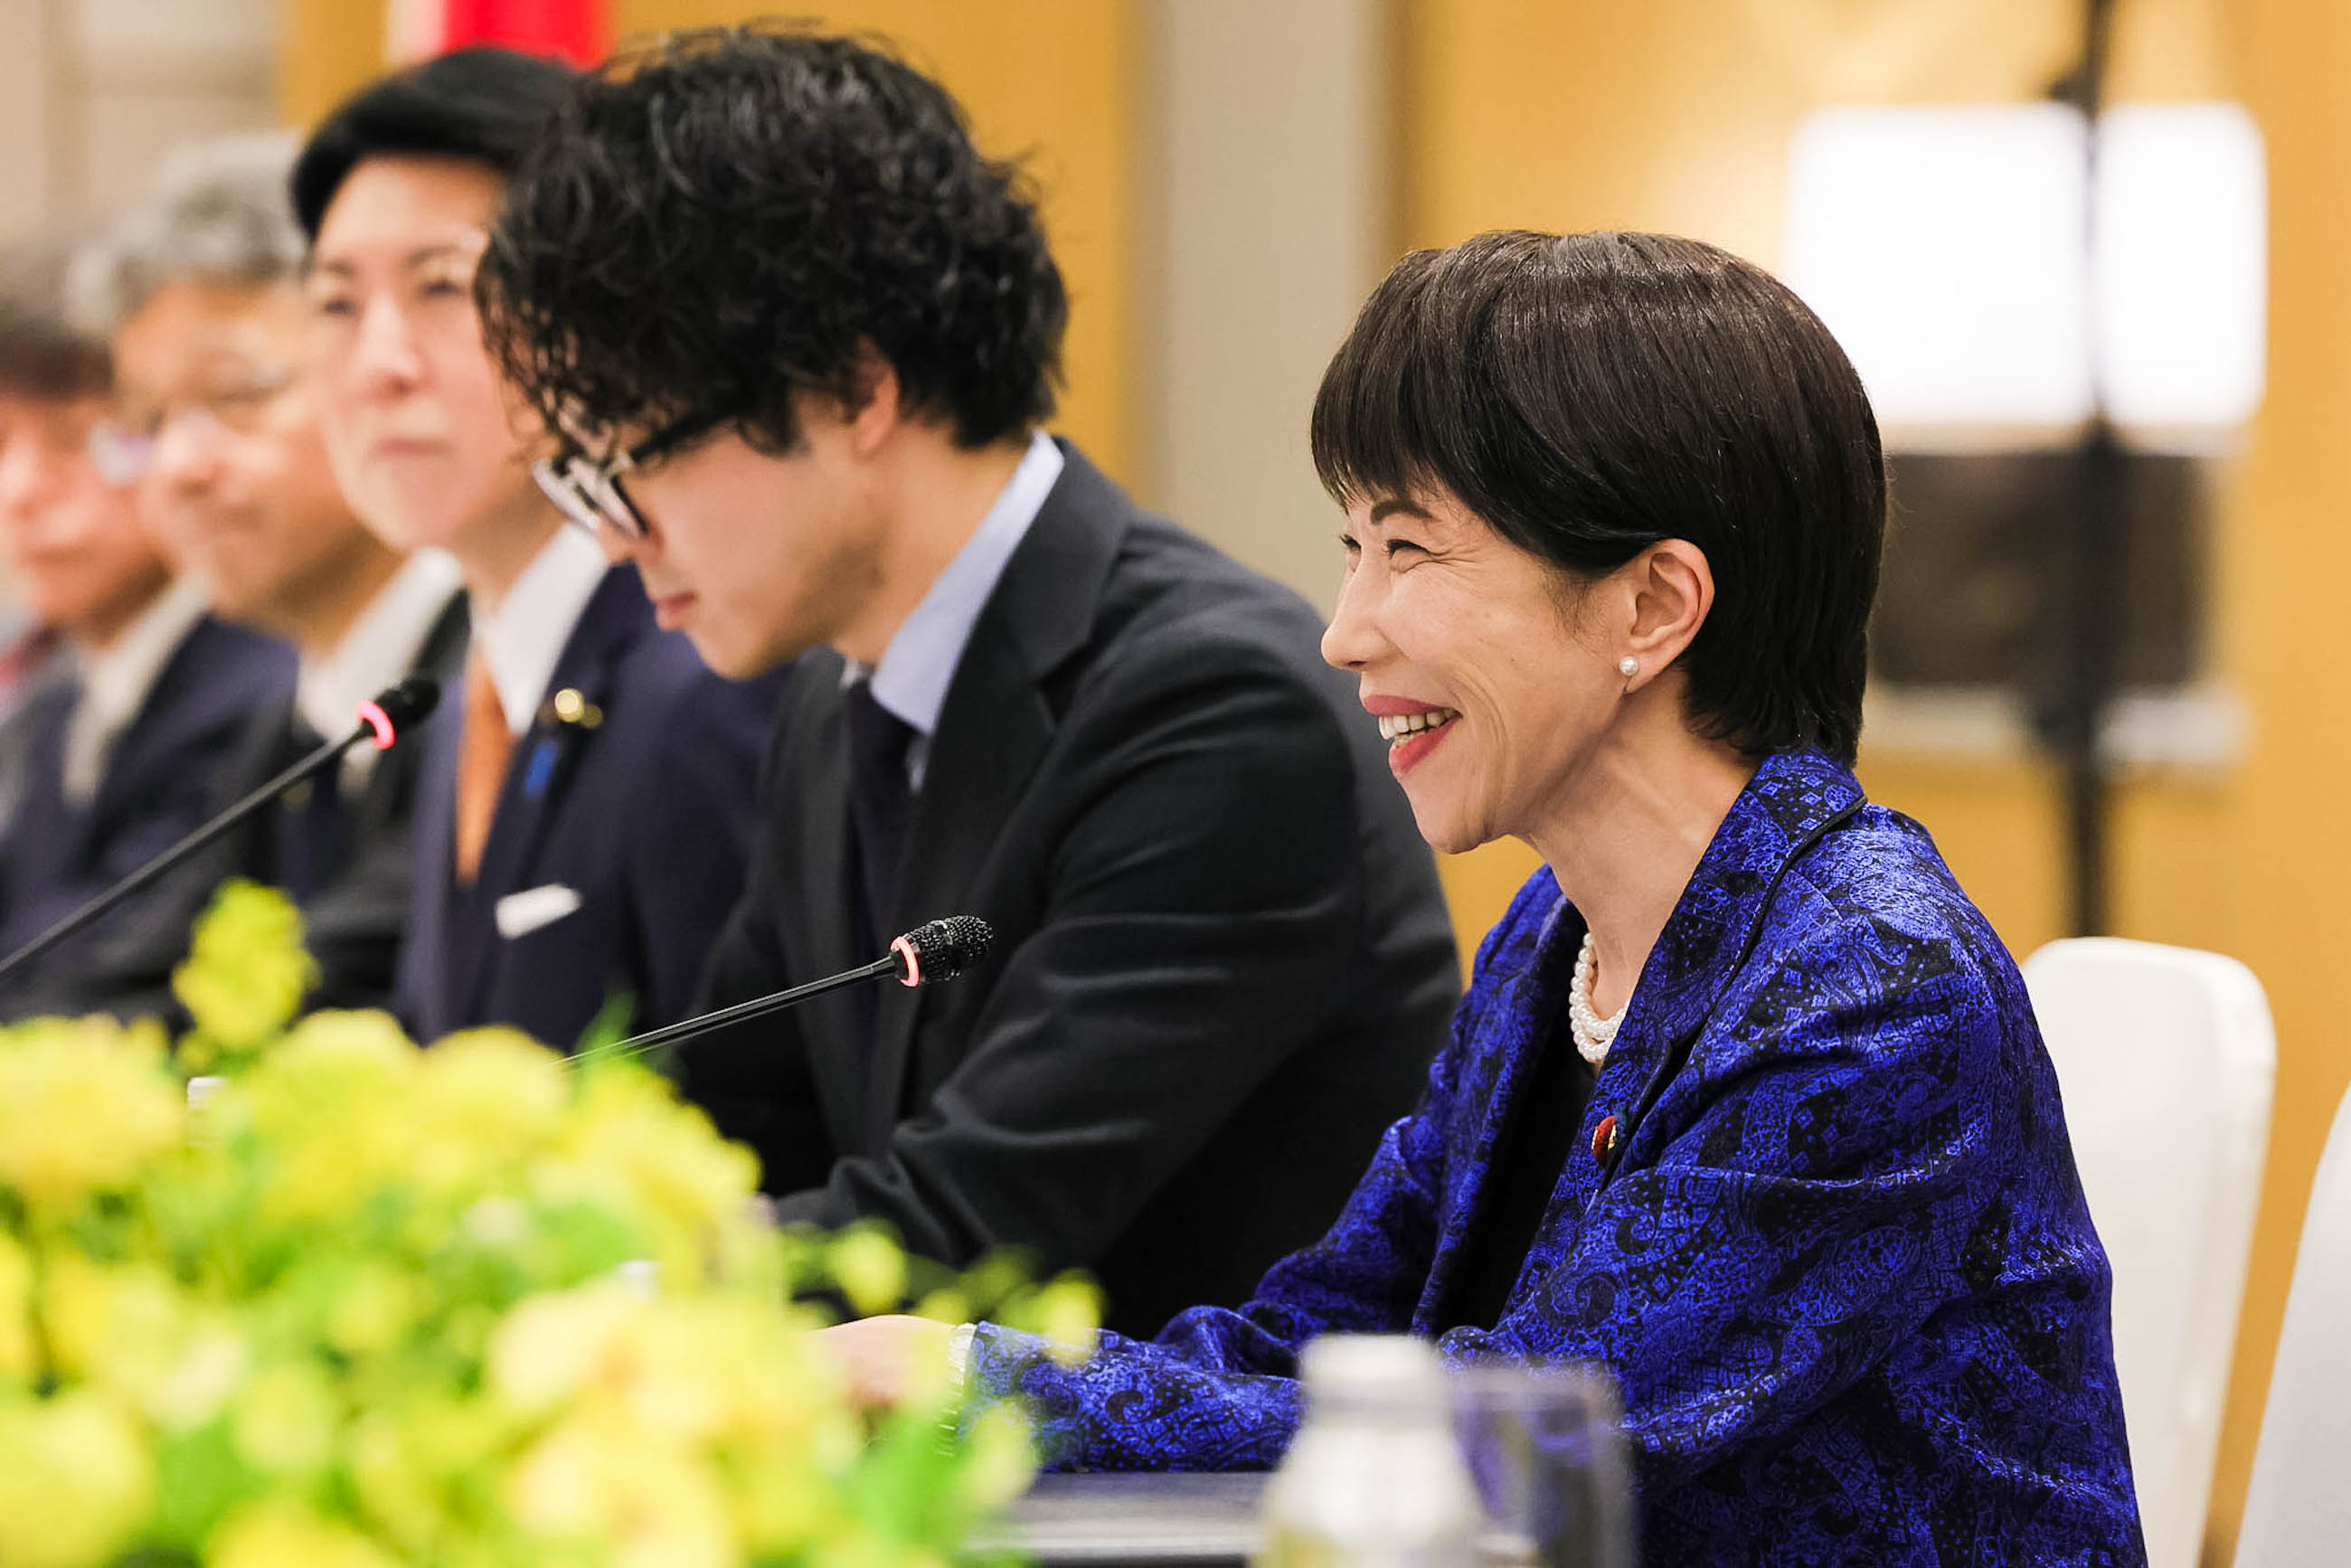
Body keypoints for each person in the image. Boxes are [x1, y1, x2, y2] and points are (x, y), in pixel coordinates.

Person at [823, 232, 2148, 1564]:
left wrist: (988, 1382)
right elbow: (1326, 1333)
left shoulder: (1872, 991)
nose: (1346, 628)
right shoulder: (1555, 936)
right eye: (1354, 547)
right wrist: (956, 1383)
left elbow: (1519, 1440)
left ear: (1652, 603)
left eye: (1410, 549)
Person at [476, 24, 1459, 1337]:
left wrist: (536, 1288)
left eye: (633, 457)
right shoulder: (840, 700)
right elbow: (721, 1112)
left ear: (851, 389)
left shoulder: (1216, 709)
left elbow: (959, 1231)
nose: (611, 531)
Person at [292, 47, 784, 1051]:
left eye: (442, 287)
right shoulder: (476, 676)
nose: (378, 364)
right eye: (337, 305)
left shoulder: (700, 666)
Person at [65, 133, 466, 1015]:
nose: (181, 465)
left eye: (235, 398)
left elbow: (308, 992)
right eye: (147, 419)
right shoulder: (290, 717)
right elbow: (141, 975)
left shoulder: (483, 687)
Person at [0, 235, 293, 1014]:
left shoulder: (261, 684)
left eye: (70, 443)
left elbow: (110, 970)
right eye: (0, 446)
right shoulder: (54, 708)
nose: (20, 491)